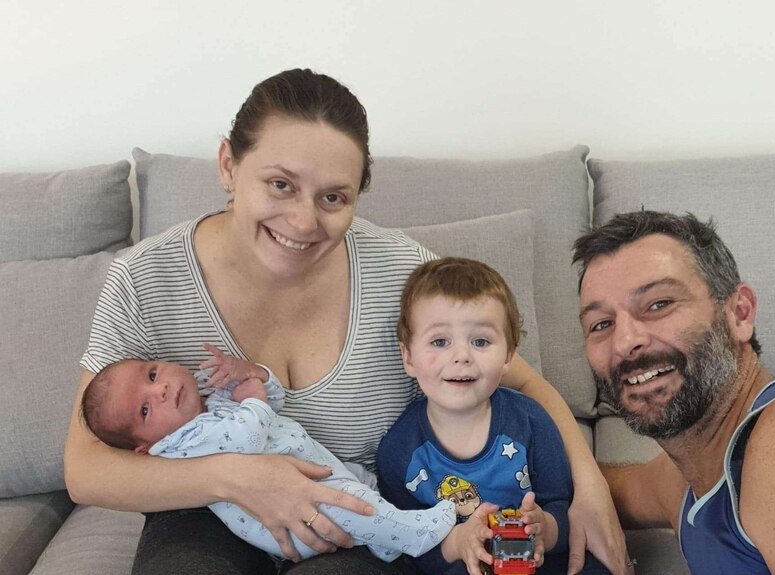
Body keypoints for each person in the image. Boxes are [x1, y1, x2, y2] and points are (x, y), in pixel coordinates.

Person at [64, 68, 628, 575]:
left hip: (361, 514)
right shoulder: (144, 278)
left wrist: (590, 487)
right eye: (280, 184)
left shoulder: (403, 271)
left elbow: (521, 381)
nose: (304, 221)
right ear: (229, 165)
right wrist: (239, 477)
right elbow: (86, 468)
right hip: (207, 511)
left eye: (333, 197)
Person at [572, 210, 775, 574]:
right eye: (601, 324)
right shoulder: (683, 479)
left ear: (739, 314)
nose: (625, 342)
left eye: (659, 304)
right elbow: (604, 487)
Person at [80, 343, 456, 563]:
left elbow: (274, 401)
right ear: (144, 447)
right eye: (144, 410)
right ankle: (414, 536)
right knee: (353, 502)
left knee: (362, 486)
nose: (160, 390)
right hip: (292, 516)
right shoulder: (184, 444)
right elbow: (247, 438)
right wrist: (254, 400)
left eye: (151, 375)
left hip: (319, 473)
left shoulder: (208, 404)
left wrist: (252, 375)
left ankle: (382, 540)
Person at [377, 257, 611, 575]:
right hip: (467, 567)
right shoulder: (399, 451)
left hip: (539, 563)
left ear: (509, 355)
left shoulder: (532, 422)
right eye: (440, 341)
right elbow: (404, 544)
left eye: (480, 341)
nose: (461, 356)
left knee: (593, 564)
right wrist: (459, 542)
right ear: (408, 357)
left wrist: (545, 529)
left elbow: (563, 508)